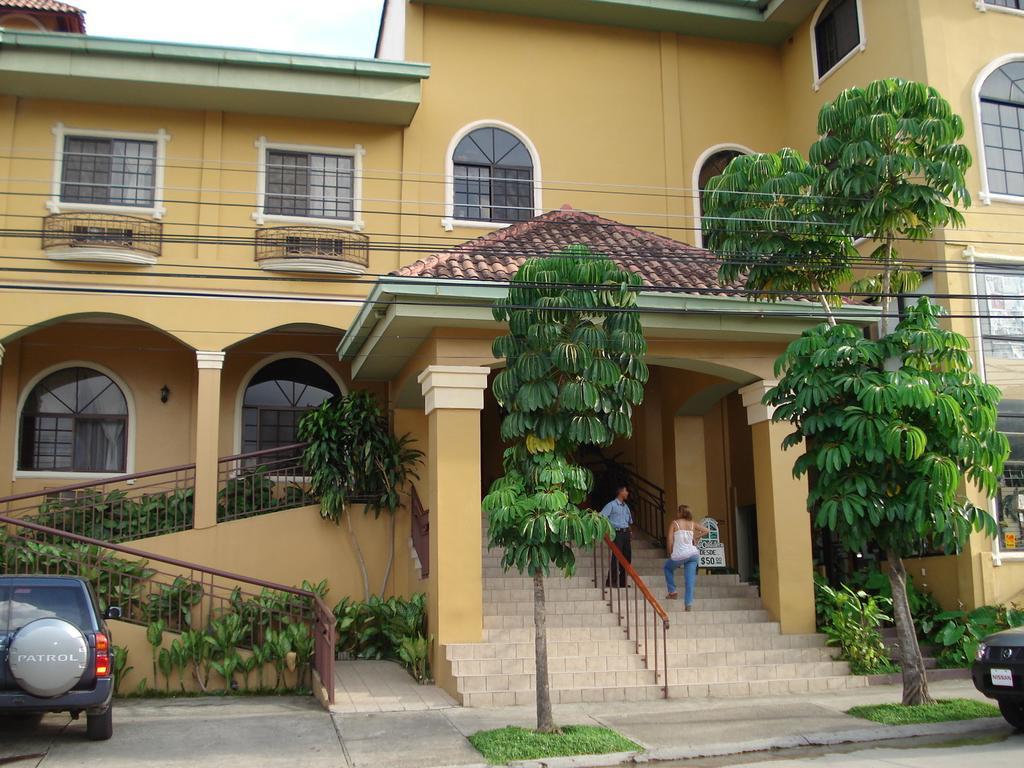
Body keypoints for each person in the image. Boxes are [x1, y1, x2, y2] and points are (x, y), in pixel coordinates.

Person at [663, 505, 708, 611]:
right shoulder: (692, 524)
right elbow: (706, 530)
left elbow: (669, 540)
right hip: (693, 554)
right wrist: (694, 538)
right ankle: (688, 604)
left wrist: (669, 553)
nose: (676, 513)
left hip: (680, 554)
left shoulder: (675, 523)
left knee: (667, 568)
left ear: (680, 513)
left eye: (678, 511)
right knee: (690, 580)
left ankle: (672, 591)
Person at [600, 484, 632, 588]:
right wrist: (608, 529)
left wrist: (629, 531)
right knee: (616, 557)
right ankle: (611, 581)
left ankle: (623, 582)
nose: (627, 493)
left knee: (627, 558)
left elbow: (629, 521)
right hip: (617, 533)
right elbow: (601, 516)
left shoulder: (625, 506)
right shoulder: (611, 505)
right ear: (621, 492)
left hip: (626, 533)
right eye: (626, 491)